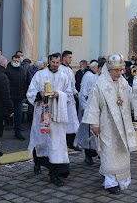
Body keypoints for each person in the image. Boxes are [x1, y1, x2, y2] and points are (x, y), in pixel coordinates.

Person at [82, 54, 137, 195]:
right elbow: (93, 105)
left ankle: (122, 179)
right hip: (107, 125)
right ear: (109, 69)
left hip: (123, 123)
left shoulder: (123, 83)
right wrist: (94, 124)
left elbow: (131, 98)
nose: (120, 73)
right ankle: (110, 182)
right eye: (116, 70)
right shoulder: (99, 84)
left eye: (121, 70)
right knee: (108, 152)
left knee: (122, 151)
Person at [27, 53, 72, 187]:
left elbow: (69, 95)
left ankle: (55, 173)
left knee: (57, 143)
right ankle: (38, 162)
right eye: (53, 62)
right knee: (41, 141)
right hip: (43, 113)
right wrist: (39, 94)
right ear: (49, 61)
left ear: (60, 62)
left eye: (57, 63)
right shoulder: (39, 75)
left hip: (57, 116)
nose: (55, 65)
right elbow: (30, 92)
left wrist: (59, 94)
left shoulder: (64, 77)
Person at [74, 60, 102, 165]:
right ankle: (89, 155)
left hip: (100, 112)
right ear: (98, 69)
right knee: (90, 135)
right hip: (90, 110)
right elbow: (83, 94)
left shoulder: (101, 78)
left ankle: (100, 154)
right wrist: (85, 109)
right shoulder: (89, 77)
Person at [58, 50, 80, 151]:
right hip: (63, 100)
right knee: (65, 122)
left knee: (72, 121)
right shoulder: (61, 69)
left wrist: (76, 93)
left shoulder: (70, 70)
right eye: (70, 57)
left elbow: (72, 84)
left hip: (71, 99)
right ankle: (64, 143)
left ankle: (72, 143)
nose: (71, 59)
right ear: (64, 58)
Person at [5, 55, 27, 141]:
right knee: (7, 114)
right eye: (15, 61)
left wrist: (24, 93)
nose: (16, 62)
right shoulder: (7, 70)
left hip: (19, 96)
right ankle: (3, 129)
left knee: (18, 115)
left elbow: (24, 83)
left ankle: (17, 133)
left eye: (18, 61)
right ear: (11, 60)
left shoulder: (21, 70)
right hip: (10, 95)